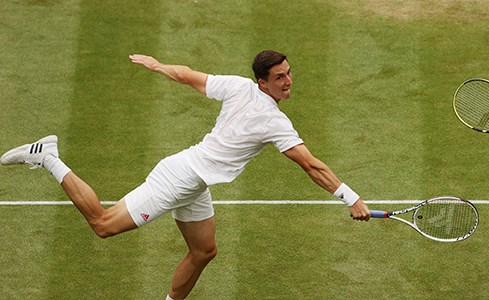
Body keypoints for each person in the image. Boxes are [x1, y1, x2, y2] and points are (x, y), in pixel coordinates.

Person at [0, 50, 372, 300]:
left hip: (194, 180)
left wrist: (159, 65)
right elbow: (312, 165)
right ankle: (49, 157)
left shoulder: (239, 86)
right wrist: (351, 197)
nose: (288, 81)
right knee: (103, 224)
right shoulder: (274, 121)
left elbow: (189, 76)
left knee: (204, 250)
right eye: (279, 77)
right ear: (262, 81)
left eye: (289, 74)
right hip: (179, 179)